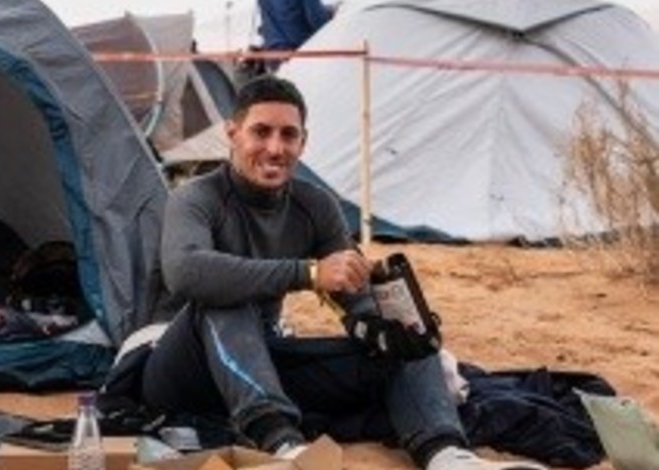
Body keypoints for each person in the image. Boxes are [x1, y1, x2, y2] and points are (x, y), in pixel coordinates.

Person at [124, 75, 545, 470]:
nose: (275, 148)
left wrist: (380, 327)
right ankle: (284, 447)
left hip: (257, 363)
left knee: (407, 341)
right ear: (233, 134)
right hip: (178, 370)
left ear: (303, 142)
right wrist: (307, 273)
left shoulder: (315, 205)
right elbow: (187, 273)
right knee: (225, 300)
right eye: (261, 132)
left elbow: (354, 295)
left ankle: (446, 454)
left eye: (288, 135)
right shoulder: (194, 199)